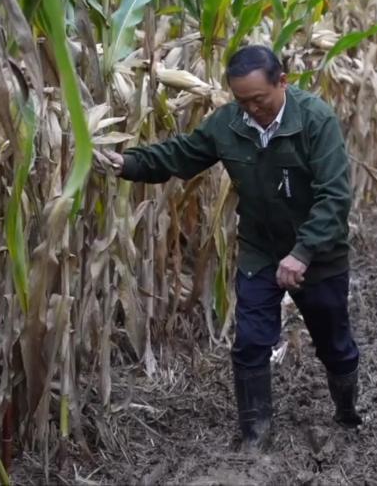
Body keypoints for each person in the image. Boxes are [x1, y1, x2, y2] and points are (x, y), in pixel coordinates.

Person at [103, 45, 361, 450]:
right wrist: (129, 164)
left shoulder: (315, 120)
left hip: (319, 253)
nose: (252, 110)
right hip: (260, 249)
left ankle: (346, 412)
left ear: (282, 82)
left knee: (334, 344)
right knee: (251, 342)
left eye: (259, 100)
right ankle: (255, 436)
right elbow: (183, 154)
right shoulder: (229, 123)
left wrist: (302, 253)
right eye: (242, 101)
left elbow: (334, 197)